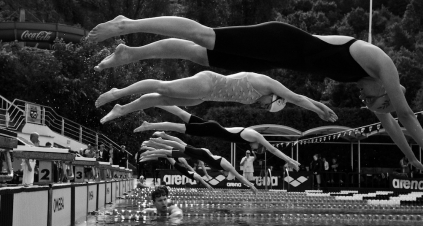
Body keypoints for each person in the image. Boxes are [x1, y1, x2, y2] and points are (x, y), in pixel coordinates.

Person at [88, 15, 423, 183]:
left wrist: (417, 162)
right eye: (373, 102)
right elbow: (406, 116)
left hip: (274, 59)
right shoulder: (382, 64)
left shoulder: (371, 83)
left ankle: (131, 53)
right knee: (204, 35)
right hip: (281, 42)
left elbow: (392, 124)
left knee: (199, 54)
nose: (365, 99)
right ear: (389, 94)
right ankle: (128, 26)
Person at [96, 70, 337, 124]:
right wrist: (320, 110)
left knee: (162, 100)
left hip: (203, 97)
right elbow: (297, 98)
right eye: (267, 107)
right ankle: (119, 92)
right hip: (208, 82)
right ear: (275, 98)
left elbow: (298, 97)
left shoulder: (263, 97)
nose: (262, 108)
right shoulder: (267, 84)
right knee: (164, 88)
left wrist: (320, 105)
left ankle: (122, 109)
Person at [134, 106, 299, 170]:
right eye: (256, 149)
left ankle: (157, 101)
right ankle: (149, 125)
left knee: (183, 115)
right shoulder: (255, 136)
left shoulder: (251, 137)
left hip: (212, 127)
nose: (252, 149)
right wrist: (290, 160)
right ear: (259, 144)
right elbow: (273, 149)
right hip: (211, 129)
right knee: (179, 127)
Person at [142, 133, 258, 193]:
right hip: (202, 154)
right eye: (226, 175)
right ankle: (157, 141)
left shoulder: (221, 167)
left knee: (177, 148)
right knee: (175, 149)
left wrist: (208, 183)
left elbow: (204, 163)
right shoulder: (228, 166)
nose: (224, 175)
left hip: (201, 154)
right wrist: (251, 185)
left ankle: (156, 143)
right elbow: (240, 177)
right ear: (228, 172)